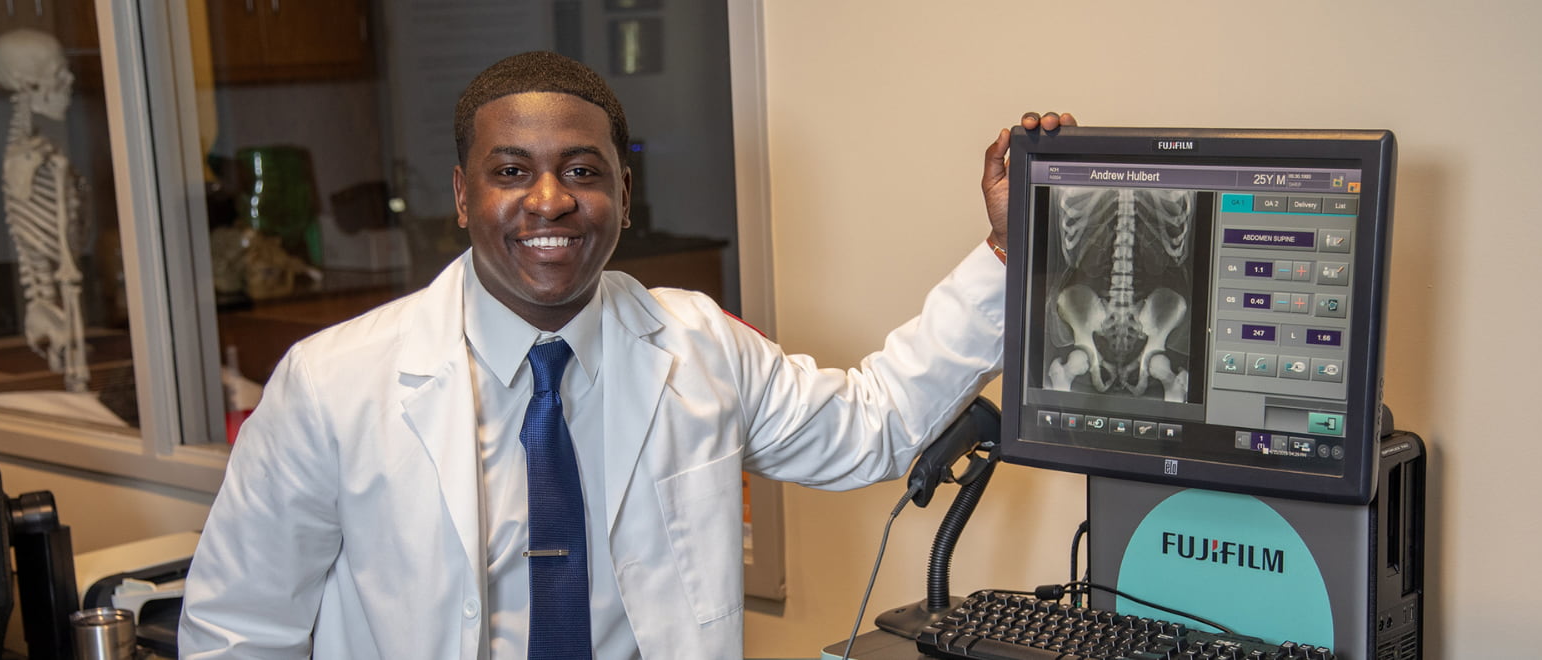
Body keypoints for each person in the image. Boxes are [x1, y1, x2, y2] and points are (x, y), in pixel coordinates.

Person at [178, 50, 1072, 659]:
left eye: (582, 170)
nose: (550, 201)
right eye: (510, 170)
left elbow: (872, 427)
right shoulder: (333, 383)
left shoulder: (699, 344)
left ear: (623, 193)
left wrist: (1002, 251)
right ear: (461, 194)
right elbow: (237, 630)